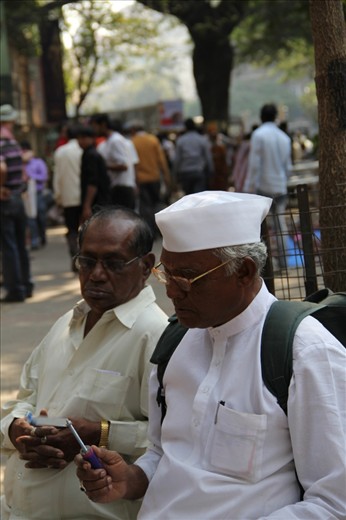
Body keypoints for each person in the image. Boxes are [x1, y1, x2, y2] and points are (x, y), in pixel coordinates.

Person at [75, 191, 345, 519]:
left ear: (244, 272)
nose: (172, 291)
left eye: (188, 278)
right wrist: (132, 479)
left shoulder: (304, 353)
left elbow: (333, 503)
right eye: (167, 274)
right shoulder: (176, 341)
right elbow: (164, 453)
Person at [0, 206, 169, 520]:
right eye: (87, 261)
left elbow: (174, 441)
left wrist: (100, 433)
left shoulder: (155, 336)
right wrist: (17, 431)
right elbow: (24, 399)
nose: (97, 274)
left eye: (114, 263)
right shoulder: (67, 323)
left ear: (146, 266)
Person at [243, 104, 292, 269]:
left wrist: (248, 188)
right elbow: (288, 167)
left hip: (263, 187)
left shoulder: (258, 135)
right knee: (281, 225)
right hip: (281, 186)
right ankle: (284, 262)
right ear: (275, 116)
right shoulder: (284, 137)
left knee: (261, 227)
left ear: (261, 116)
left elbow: (254, 164)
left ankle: (268, 264)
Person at [0, 104, 33, 302]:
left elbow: (1, 168)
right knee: (21, 244)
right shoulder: (13, 144)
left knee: (9, 246)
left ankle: (15, 290)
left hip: (5, 200)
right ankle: (26, 285)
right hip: (17, 198)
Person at [128, 120, 171, 234]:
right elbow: (162, 161)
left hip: (140, 179)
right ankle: (161, 229)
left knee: (145, 206)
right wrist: (166, 177)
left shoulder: (132, 142)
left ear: (133, 131)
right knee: (156, 203)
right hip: (155, 177)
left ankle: (150, 231)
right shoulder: (153, 140)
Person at [90, 115, 138, 209]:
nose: (93, 130)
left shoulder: (115, 140)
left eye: (94, 126)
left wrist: (103, 167)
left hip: (122, 188)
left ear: (103, 125)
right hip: (118, 188)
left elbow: (124, 166)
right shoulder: (109, 141)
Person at [53, 124, 83, 268]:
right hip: (84, 197)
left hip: (68, 197)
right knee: (87, 229)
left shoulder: (60, 152)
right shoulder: (82, 150)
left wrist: (58, 196)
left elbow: (57, 176)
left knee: (71, 230)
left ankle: (75, 258)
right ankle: (85, 259)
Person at [75, 126, 110, 223]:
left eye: (83, 138)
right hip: (98, 201)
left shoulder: (91, 155)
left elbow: (92, 182)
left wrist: (87, 206)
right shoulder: (89, 153)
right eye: (79, 138)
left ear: (92, 138)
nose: (80, 141)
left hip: (98, 202)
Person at [173, 118, 213, 195]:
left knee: (188, 197)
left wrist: (175, 174)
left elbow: (177, 159)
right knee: (199, 196)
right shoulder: (202, 139)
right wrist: (211, 170)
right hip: (199, 171)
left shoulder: (181, 140)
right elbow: (208, 157)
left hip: (185, 173)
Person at [21, 140, 49, 249]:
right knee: (30, 218)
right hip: (26, 194)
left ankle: (42, 236)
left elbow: (44, 177)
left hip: (38, 193)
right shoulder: (20, 164)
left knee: (40, 217)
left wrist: (31, 176)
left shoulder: (38, 162)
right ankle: (34, 241)